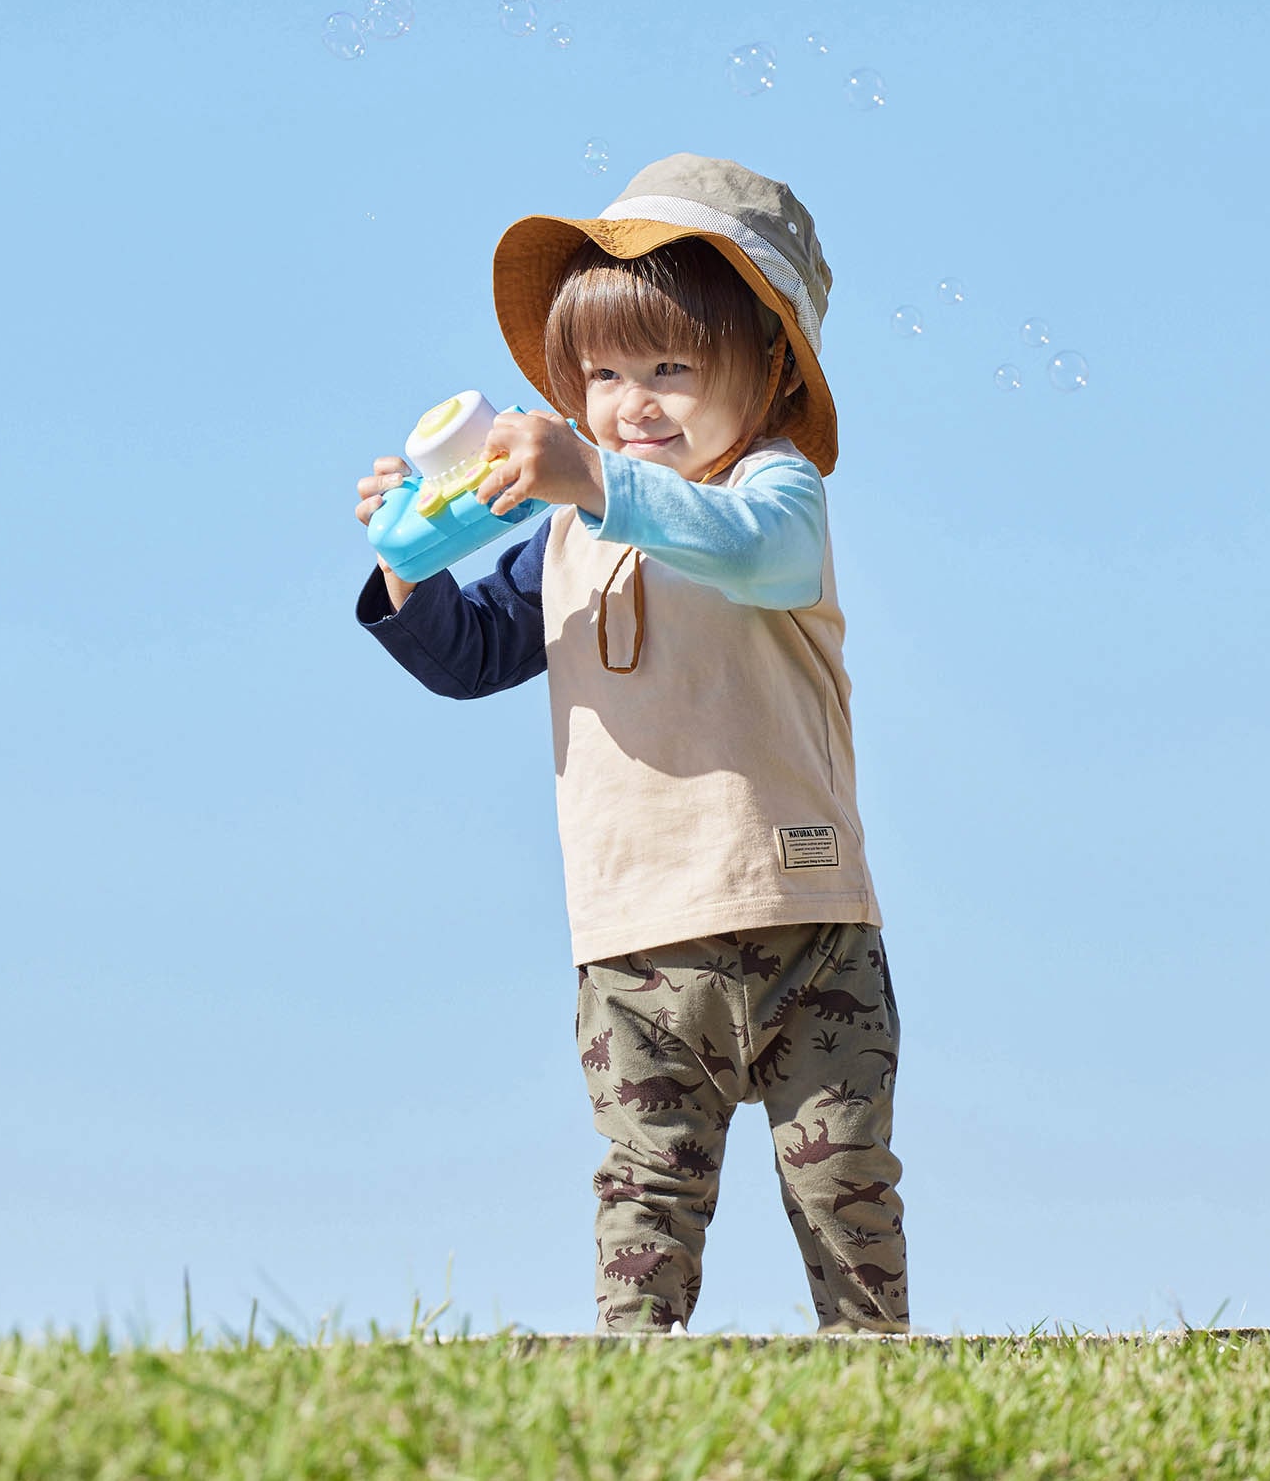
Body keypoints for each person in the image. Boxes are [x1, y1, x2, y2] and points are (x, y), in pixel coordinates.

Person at [354, 153, 907, 1334]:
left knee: (843, 1185)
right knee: (645, 1189)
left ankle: (880, 1372)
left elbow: (757, 551)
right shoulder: (564, 529)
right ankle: (632, 1392)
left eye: (670, 366)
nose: (632, 404)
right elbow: (473, 654)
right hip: (635, 937)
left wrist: (597, 482)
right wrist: (408, 562)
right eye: (602, 375)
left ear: (766, 365)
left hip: (801, 910)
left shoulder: (776, 486)